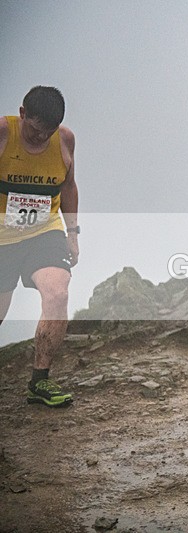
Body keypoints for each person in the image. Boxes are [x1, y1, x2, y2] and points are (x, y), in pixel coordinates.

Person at [0, 86, 79, 407]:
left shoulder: (64, 140)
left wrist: (72, 233)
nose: (40, 138)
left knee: (58, 292)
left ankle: (40, 382)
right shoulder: (5, 132)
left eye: (48, 132)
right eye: (34, 130)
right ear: (22, 115)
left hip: (43, 232)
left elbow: (69, 186)